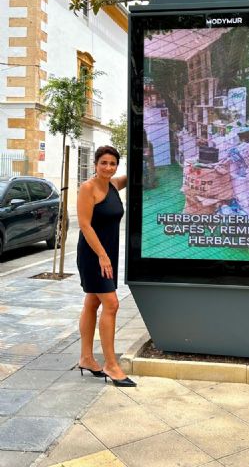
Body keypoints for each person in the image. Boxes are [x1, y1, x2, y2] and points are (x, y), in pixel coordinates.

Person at [77, 145, 136, 387]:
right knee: (111, 304)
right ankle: (111, 364)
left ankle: (86, 358)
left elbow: (135, 174)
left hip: (108, 254)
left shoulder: (113, 185)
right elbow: (84, 225)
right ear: (95, 164)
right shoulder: (87, 188)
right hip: (94, 255)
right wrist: (102, 255)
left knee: (93, 302)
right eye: (104, 163)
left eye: (113, 164)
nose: (108, 167)